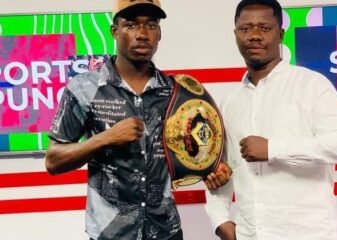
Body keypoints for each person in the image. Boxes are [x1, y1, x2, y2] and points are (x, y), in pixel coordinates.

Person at [45, 0, 230, 239]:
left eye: (151, 25)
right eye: (131, 25)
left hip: (166, 231)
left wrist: (214, 172)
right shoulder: (84, 88)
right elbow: (53, 161)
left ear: (159, 33)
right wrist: (105, 138)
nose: (142, 34)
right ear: (114, 31)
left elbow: (194, 156)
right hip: (110, 233)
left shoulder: (177, 92)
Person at [205, 0, 337, 239]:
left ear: (281, 34)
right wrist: (220, 219)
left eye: (264, 28)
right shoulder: (229, 102)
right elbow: (221, 168)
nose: (254, 36)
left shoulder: (311, 85)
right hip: (250, 234)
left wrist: (273, 148)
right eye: (246, 29)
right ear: (236, 34)